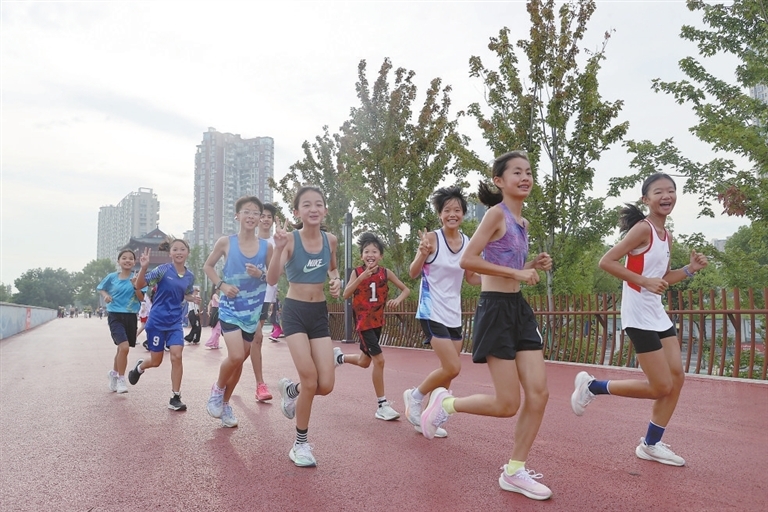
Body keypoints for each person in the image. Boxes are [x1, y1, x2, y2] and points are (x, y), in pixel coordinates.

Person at [417, 152, 553, 500]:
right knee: (507, 404)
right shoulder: (497, 214)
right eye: (517, 172)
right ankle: (446, 404)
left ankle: (514, 470)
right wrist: (517, 272)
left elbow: (503, 259)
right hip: (494, 310)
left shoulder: (522, 223)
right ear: (499, 181)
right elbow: (469, 260)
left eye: (529, 172)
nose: (525, 177)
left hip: (518, 309)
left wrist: (531, 262)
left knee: (539, 394)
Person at [572, 172, 708, 467]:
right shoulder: (642, 230)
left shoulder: (666, 235)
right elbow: (606, 261)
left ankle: (651, 444)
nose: (666, 196)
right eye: (659, 192)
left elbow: (662, 279)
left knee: (677, 379)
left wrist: (689, 269)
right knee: (660, 386)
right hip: (637, 315)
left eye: (670, 191)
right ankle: (593, 386)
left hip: (657, 314)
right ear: (646, 200)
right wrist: (644, 282)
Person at [268, 185, 342, 467]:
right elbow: (272, 279)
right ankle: (300, 444)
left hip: (319, 313)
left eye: (319, 204)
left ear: (324, 210)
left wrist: (336, 281)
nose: (314, 209)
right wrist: (277, 249)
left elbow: (333, 269)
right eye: (307, 205)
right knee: (311, 379)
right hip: (296, 313)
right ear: (297, 212)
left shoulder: (331, 240)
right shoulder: (289, 240)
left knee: (326, 384)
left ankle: (292, 391)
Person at [402, 186, 481, 439]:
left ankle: (430, 417)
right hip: (431, 309)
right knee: (453, 367)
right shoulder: (432, 239)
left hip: (453, 313)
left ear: (463, 214)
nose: (452, 214)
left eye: (457, 210)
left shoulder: (468, 243)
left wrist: (499, 275)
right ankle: (414, 396)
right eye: (447, 210)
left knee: (447, 372)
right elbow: (413, 273)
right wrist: (422, 254)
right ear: (440, 214)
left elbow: (471, 278)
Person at [204, 196, 272, 428]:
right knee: (235, 356)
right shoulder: (226, 242)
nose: (252, 216)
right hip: (230, 308)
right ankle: (217, 390)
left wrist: (260, 275)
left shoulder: (266, 247)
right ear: (238, 216)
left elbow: (274, 277)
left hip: (252, 312)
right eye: (247, 212)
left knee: (240, 360)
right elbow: (208, 266)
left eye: (256, 213)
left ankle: (224, 404)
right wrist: (222, 285)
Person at [335, 232, 410, 421]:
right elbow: (345, 294)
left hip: (378, 323)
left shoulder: (385, 273)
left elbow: (406, 289)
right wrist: (361, 279)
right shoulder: (357, 272)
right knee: (380, 361)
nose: (370, 254)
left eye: (374, 251)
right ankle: (382, 405)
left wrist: (398, 299)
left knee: (364, 361)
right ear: (361, 256)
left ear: (380, 255)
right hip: (364, 324)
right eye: (366, 251)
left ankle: (339, 358)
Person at [128, 239, 199, 411]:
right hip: (157, 321)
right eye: (175, 249)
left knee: (176, 355)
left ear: (187, 252)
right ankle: (140, 367)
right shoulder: (162, 270)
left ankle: (175, 396)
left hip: (175, 322)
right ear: (170, 253)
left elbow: (186, 294)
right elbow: (139, 285)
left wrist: (193, 298)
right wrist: (144, 267)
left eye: (183, 249)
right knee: (156, 361)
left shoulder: (190, 276)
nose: (179, 252)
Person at [97, 249, 143, 395]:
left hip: (130, 316)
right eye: (124, 258)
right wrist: (106, 296)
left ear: (134, 262)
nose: (127, 260)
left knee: (121, 349)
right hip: (115, 315)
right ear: (118, 261)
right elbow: (101, 288)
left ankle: (113, 374)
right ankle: (122, 379)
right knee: (124, 348)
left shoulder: (137, 277)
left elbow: (141, 298)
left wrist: (136, 285)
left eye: (130, 258)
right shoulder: (112, 277)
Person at [250, 202, 279, 401]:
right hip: (248, 297)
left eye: (269, 216)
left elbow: (279, 272)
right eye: (263, 216)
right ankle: (260, 384)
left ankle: (225, 378)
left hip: (267, 297)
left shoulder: (278, 243)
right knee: (256, 338)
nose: (266, 219)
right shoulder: (249, 242)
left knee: (250, 343)